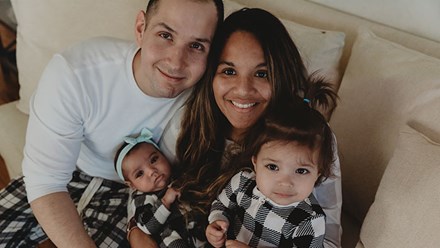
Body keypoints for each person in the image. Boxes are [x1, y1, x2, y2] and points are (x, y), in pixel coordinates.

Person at [0, 0, 223, 247]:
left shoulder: (212, 96)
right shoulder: (77, 73)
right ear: (141, 28)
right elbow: (45, 181)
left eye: (196, 45)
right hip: (70, 170)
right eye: (165, 35)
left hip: (137, 195)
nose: (176, 61)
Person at [130, 7, 342, 248]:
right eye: (229, 71)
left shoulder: (308, 137)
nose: (242, 90)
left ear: (282, 76)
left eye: (262, 74)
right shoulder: (189, 118)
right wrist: (136, 231)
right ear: (211, 75)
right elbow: (145, 174)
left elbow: (329, 241)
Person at [206, 91, 336, 247]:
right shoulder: (242, 181)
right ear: (255, 161)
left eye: (301, 171)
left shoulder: (309, 221)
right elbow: (221, 205)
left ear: (317, 173)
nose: (286, 182)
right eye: (273, 167)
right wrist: (217, 222)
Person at [115, 127, 191, 247]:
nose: (152, 171)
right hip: (174, 240)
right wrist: (165, 201)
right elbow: (148, 226)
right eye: (140, 173)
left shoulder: (178, 176)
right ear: (132, 185)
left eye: (154, 159)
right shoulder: (141, 200)